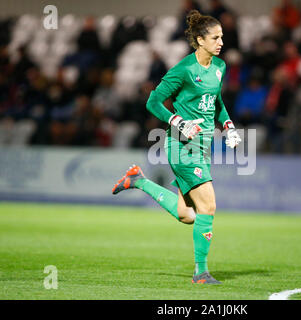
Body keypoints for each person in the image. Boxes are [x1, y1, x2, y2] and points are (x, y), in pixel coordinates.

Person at [111, 10, 241, 284]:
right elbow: (153, 101)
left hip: (202, 147)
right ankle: (200, 273)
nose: (220, 42)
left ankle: (138, 181)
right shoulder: (183, 70)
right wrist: (177, 121)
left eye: (222, 37)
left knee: (187, 215)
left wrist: (227, 126)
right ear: (200, 40)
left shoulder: (219, 67)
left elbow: (216, 103)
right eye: (215, 37)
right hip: (181, 147)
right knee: (209, 207)